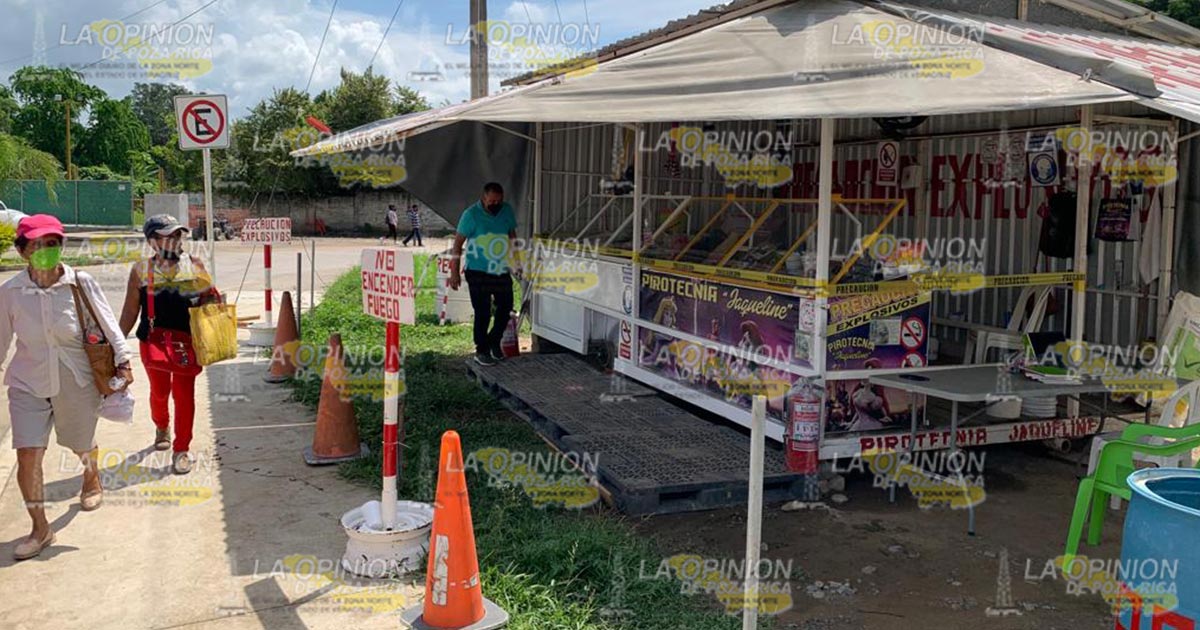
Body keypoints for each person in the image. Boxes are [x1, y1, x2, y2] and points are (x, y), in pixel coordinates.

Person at [0, 214, 134, 560]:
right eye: (38, 245)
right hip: (27, 383)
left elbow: (109, 323)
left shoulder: (80, 283)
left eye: (54, 244)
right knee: (28, 454)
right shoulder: (10, 292)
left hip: (76, 380)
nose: (47, 251)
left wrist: (124, 360)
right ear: (21, 251)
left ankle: (91, 476)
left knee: (79, 443)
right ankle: (40, 528)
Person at [119, 214, 220, 475]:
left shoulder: (194, 265)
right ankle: (161, 425)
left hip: (187, 343)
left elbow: (209, 299)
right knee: (160, 392)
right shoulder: (141, 271)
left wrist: (209, 302)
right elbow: (130, 311)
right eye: (168, 235)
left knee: (184, 395)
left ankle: (182, 449)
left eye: (178, 235)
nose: (175, 240)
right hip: (153, 341)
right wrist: (117, 345)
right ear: (152, 242)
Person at [448, 182, 519, 366]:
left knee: (506, 308)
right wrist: (454, 272)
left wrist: (517, 261)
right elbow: (457, 245)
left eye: (499, 201)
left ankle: (493, 342)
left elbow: (512, 236)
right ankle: (481, 350)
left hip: (500, 269)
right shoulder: (471, 215)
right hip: (477, 271)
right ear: (483, 198)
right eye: (492, 201)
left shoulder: (507, 211)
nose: (496, 204)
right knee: (483, 312)